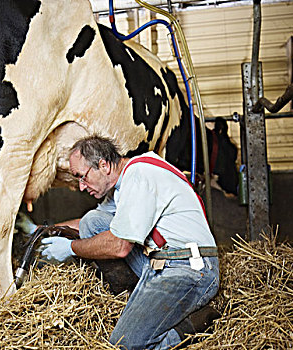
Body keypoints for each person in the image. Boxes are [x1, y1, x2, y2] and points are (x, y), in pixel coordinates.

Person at [40, 135, 220, 349]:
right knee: (92, 222)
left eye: (82, 177)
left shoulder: (139, 174)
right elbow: (85, 224)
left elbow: (120, 246)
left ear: (104, 165)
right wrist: (45, 231)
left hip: (190, 268)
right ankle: (134, 299)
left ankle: (190, 325)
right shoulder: (121, 186)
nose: (81, 187)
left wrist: (71, 248)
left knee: (125, 344)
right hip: (159, 262)